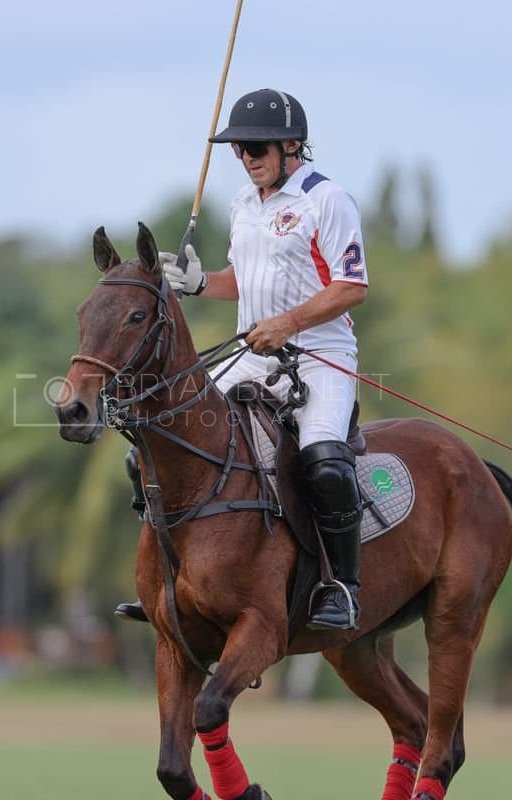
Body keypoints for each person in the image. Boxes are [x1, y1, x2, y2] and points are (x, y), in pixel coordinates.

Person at [116, 88, 368, 631]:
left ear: (292, 145)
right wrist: (202, 282)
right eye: (238, 148)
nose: (247, 157)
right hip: (250, 353)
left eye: (256, 146)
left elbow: (351, 287)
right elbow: (245, 284)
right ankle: (169, 577)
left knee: (324, 462)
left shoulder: (327, 200)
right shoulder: (242, 204)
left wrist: (288, 324)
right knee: (152, 443)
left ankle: (342, 587)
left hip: (320, 355)